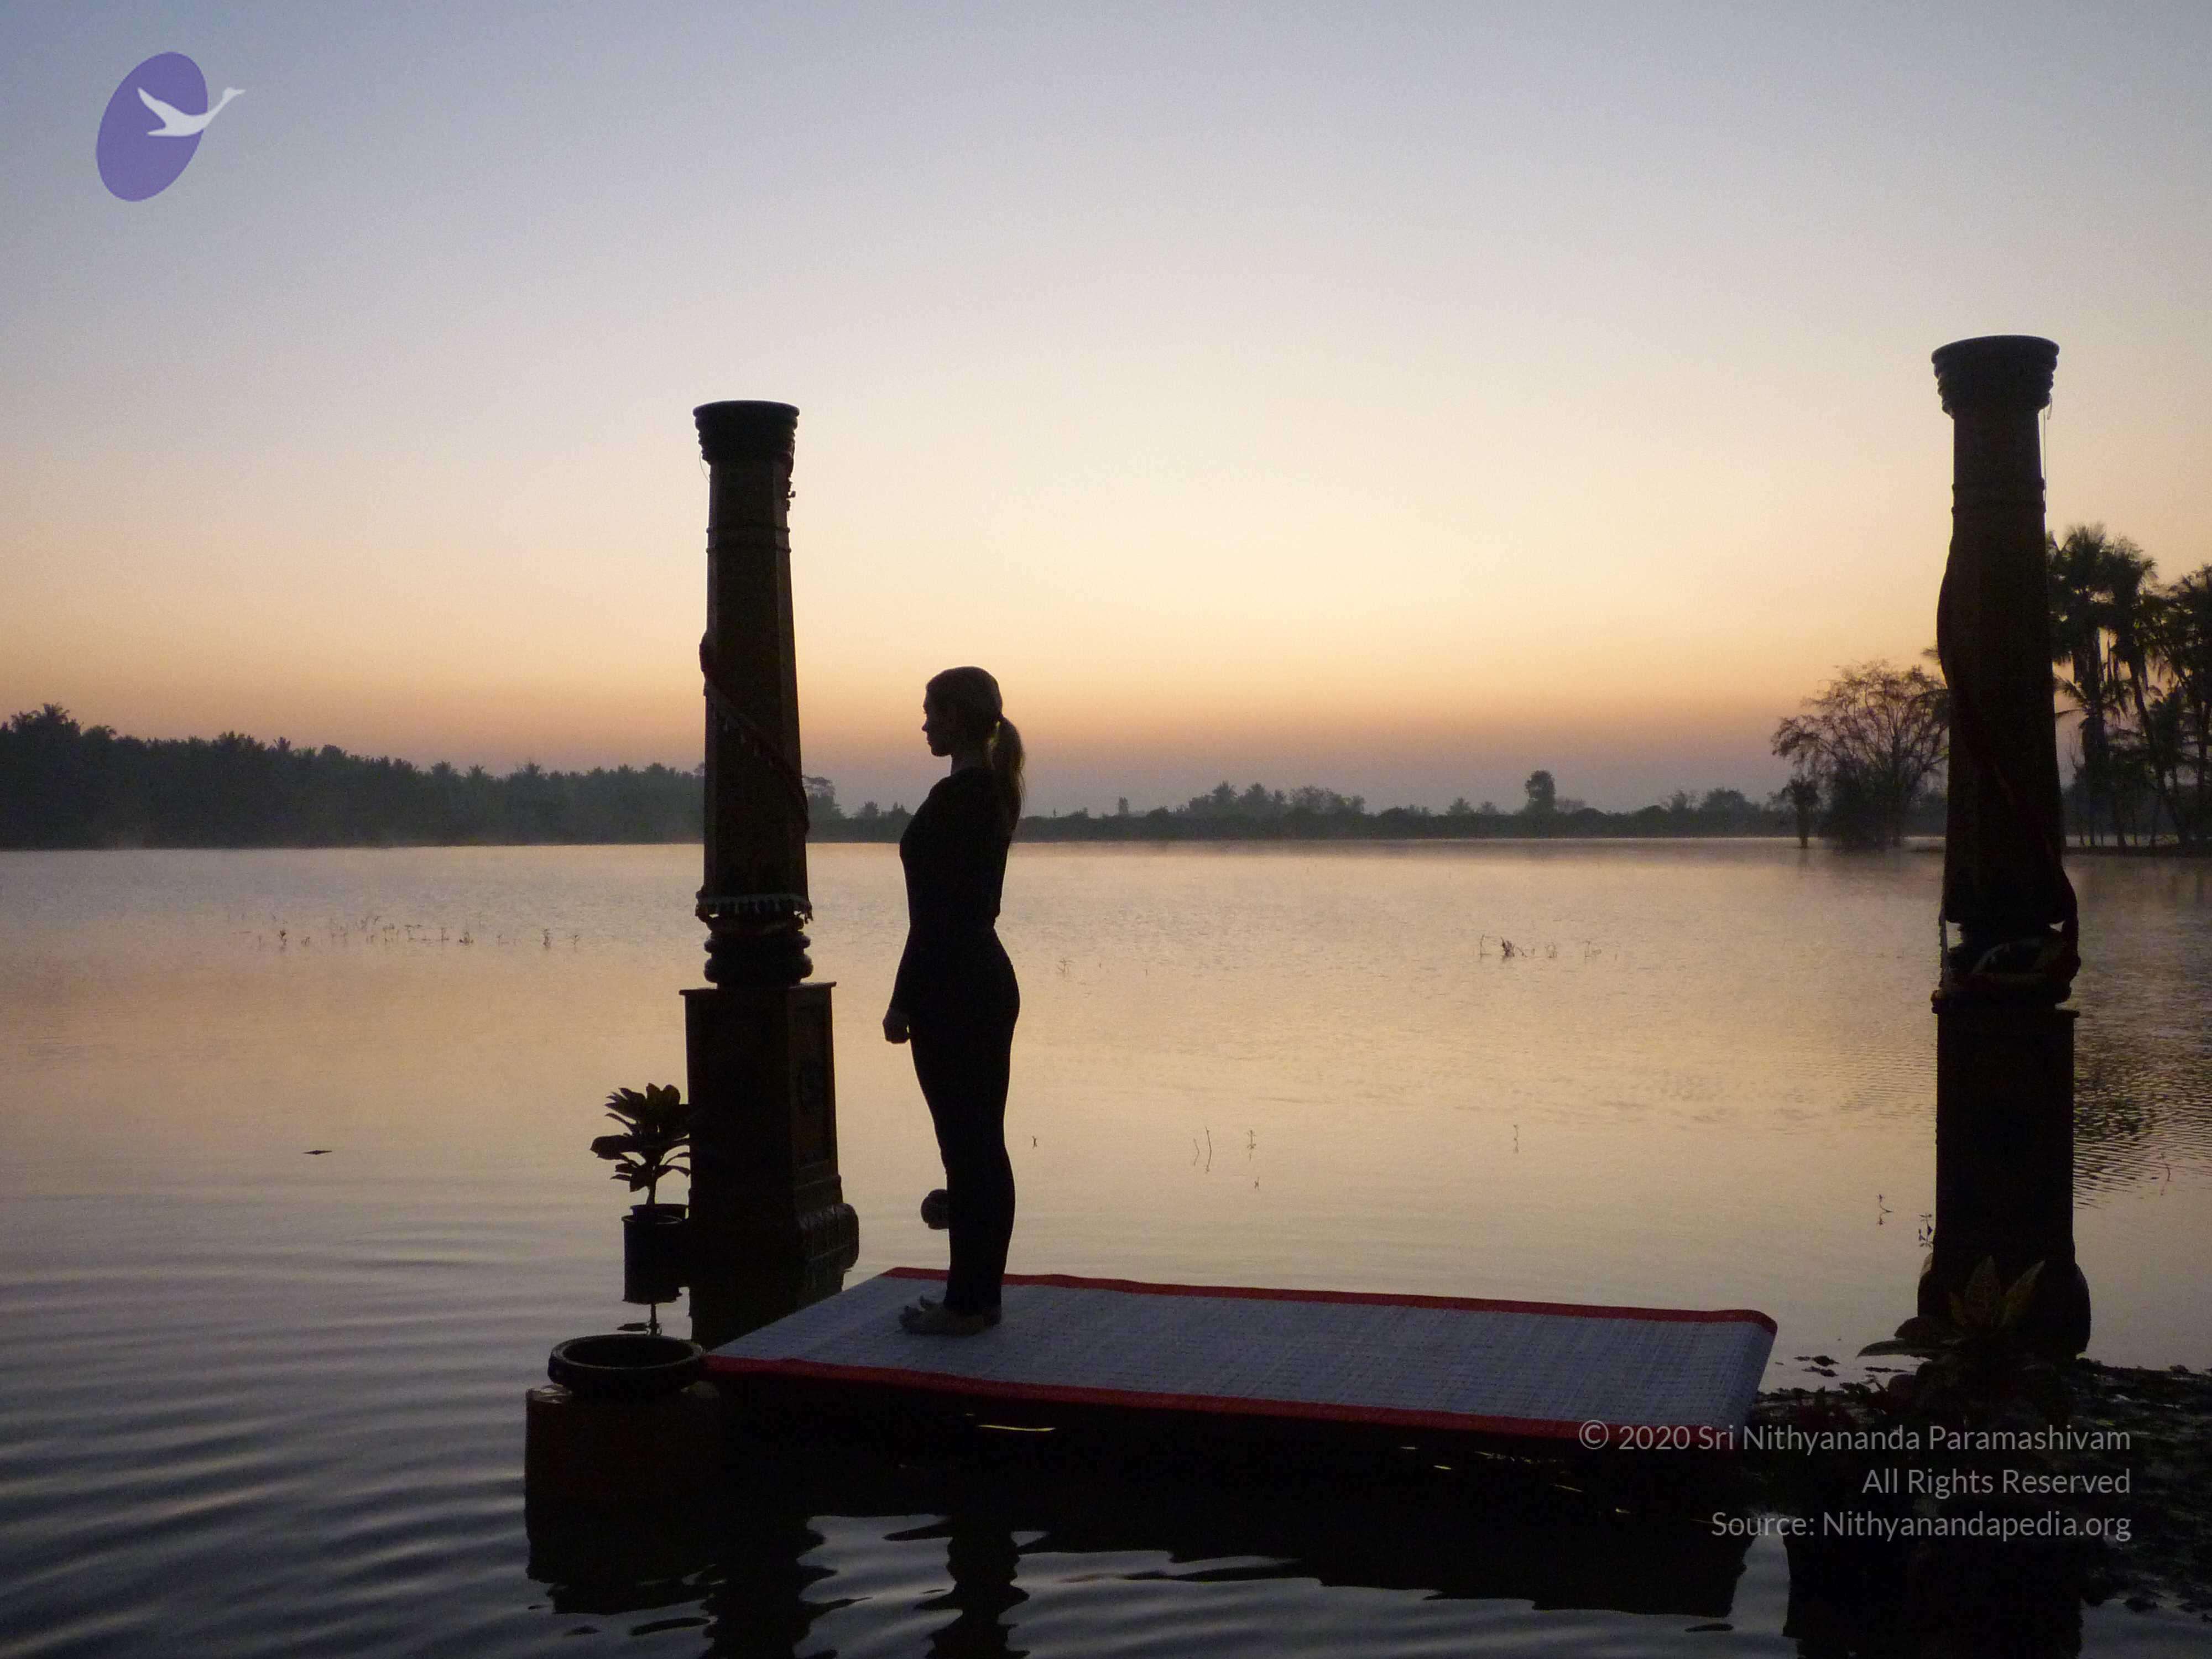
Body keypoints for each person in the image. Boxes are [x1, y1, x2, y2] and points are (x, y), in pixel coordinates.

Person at [882, 667, 1024, 1335]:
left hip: (957, 983)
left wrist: (903, 999)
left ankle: (967, 1304)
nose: (924, 724)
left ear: (958, 718)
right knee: (976, 1145)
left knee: (969, 1149)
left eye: (932, 712)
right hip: (971, 978)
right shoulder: (984, 791)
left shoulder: (965, 797)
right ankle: (973, 1297)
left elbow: (939, 916)